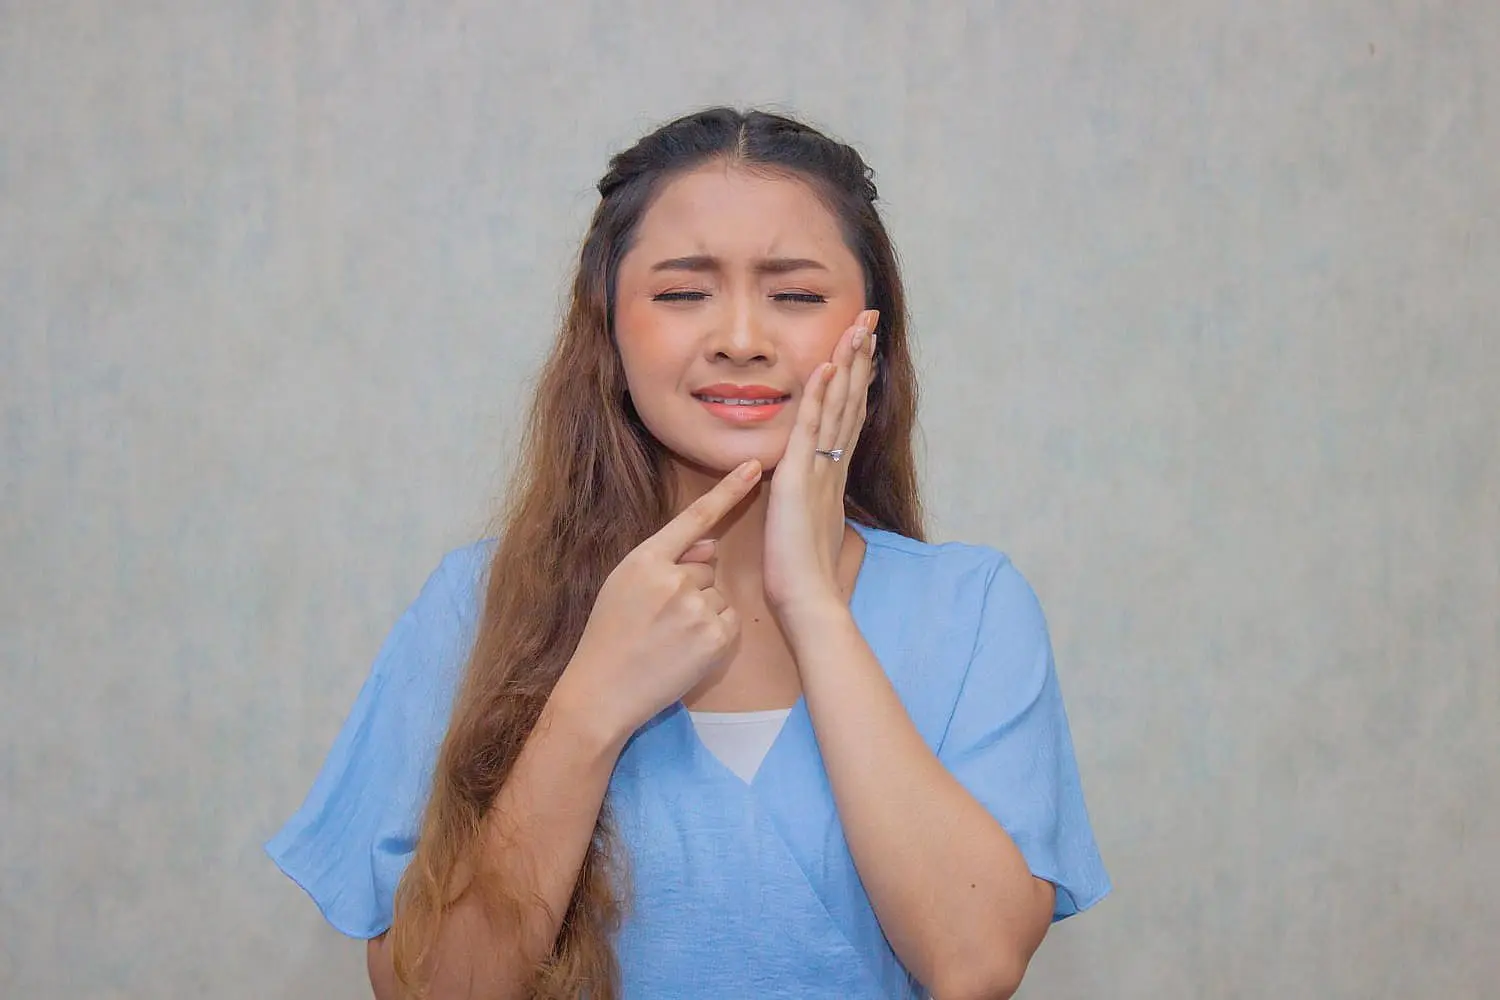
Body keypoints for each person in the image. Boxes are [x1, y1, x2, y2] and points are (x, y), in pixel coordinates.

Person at [266, 107, 1110, 1000]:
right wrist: (592, 701)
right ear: (609, 329)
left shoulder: (974, 609)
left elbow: (974, 963)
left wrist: (813, 606)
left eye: (795, 295)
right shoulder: (471, 604)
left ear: (869, 334)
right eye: (681, 293)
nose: (741, 338)